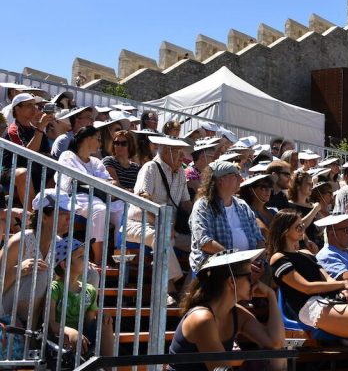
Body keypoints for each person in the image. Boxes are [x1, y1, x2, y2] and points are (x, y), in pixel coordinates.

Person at [267, 211, 348, 371]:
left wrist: (343, 288)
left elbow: (328, 279)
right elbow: (306, 288)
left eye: (303, 225)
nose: (303, 229)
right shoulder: (279, 258)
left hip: (329, 300)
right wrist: (343, 285)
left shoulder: (307, 253)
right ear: (286, 231)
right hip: (310, 306)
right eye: (299, 226)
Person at [169, 249, 285, 371]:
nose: (255, 282)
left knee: (277, 359)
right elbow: (220, 368)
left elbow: (275, 343)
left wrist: (271, 295)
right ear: (232, 281)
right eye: (249, 277)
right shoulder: (202, 318)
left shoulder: (237, 314)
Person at [127, 135, 193, 302]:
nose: (183, 157)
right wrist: (162, 223)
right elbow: (143, 200)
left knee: (199, 243)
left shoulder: (180, 174)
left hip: (169, 229)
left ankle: (188, 291)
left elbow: (186, 204)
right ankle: (168, 291)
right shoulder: (150, 168)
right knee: (161, 238)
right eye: (178, 152)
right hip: (139, 224)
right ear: (167, 151)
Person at [0, 190, 72, 329]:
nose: (69, 219)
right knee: (40, 274)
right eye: (63, 214)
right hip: (6, 310)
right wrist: (18, 271)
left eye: (70, 214)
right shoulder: (19, 241)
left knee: (89, 273)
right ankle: (27, 337)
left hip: (40, 310)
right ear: (44, 217)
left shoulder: (59, 243)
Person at [55, 126, 122, 264]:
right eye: (98, 139)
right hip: (75, 196)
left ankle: (119, 255)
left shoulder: (96, 161)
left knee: (122, 209)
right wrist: (105, 183)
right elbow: (77, 179)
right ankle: (99, 260)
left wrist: (109, 183)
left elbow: (108, 180)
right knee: (99, 209)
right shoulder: (68, 155)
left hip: (99, 196)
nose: (100, 143)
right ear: (87, 139)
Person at [189, 161, 264, 274]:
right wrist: (238, 261)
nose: (241, 179)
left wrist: (259, 260)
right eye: (235, 176)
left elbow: (259, 238)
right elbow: (204, 242)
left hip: (246, 265)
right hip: (216, 266)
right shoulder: (204, 205)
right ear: (220, 180)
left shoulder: (242, 205)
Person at [48, 238, 115, 358]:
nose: (87, 260)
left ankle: (107, 367)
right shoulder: (55, 288)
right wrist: (70, 331)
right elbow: (50, 323)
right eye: (81, 257)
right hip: (60, 338)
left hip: (83, 338)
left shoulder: (90, 290)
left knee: (105, 323)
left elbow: (88, 321)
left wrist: (102, 316)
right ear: (65, 264)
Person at [1, 93, 54, 208]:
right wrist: (40, 128)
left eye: (34, 105)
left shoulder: (37, 131)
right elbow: (27, 154)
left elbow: (46, 155)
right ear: (17, 109)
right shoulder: (12, 130)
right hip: (11, 170)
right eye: (29, 105)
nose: (34, 108)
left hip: (33, 169)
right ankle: (32, 215)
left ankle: (45, 208)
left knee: (56, 171)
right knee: (23, 173)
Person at [239, 174, 277, 240]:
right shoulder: (247, 212)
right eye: (263, 187)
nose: (268, 190)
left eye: (270, 186)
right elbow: (264, 232)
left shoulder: (273, 211)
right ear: (251, 190)